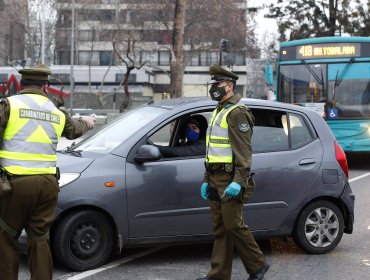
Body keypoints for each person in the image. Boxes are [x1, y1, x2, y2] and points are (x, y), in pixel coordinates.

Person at [0, 64, 96, 280]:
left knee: (6, 235)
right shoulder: (56, 111)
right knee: (39, 238)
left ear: (22, 86)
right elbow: (74, 129)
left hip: (14, 185)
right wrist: (88, 123)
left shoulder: (10, 105)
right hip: (47, 184)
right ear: (45, 86)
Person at [197, 64, 269, 280]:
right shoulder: (219, 110)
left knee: (233, 224)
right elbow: (213, 149)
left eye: (216, 84)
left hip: (230, 179)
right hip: (215, 177)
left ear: (228, 86)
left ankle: (258, 265)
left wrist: (239, 180)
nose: (213, 89)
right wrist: (206, 179)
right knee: (220, 228)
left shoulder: (237, 113)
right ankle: (219, 275)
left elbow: (244, 152)